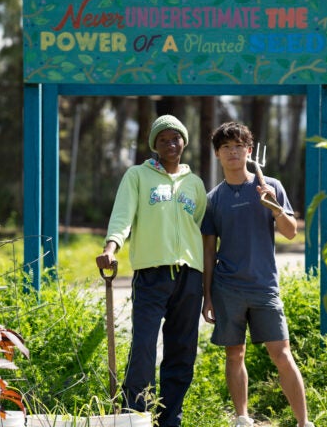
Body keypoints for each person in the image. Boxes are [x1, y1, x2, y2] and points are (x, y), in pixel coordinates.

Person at [95, 114, 207, 427]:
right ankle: (137, 417)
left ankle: (170, 419)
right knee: (143, 347)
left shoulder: (195, 184)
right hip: (151, 275)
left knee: (182, 350)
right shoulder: (137, 176)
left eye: (176, 138)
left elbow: (200, 228)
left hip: (189, 277)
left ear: (184, 141)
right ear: (154, 145)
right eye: (163, 139)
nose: (171, 144)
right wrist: (110, 248)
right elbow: (122, 218)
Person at [201, 121, 314, 427]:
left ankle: (304, 422)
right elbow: (208, 251)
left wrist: (275, 208)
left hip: (265, 287)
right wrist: (207, 294)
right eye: (226, 147)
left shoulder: (271, 186)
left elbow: (291, 233)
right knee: (234, 354)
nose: (232, 152)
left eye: (238, 146)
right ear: (217, 155)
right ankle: (242, 418)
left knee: (282, 354)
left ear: (249, 151)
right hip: (227, 288)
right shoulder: (213, 200)